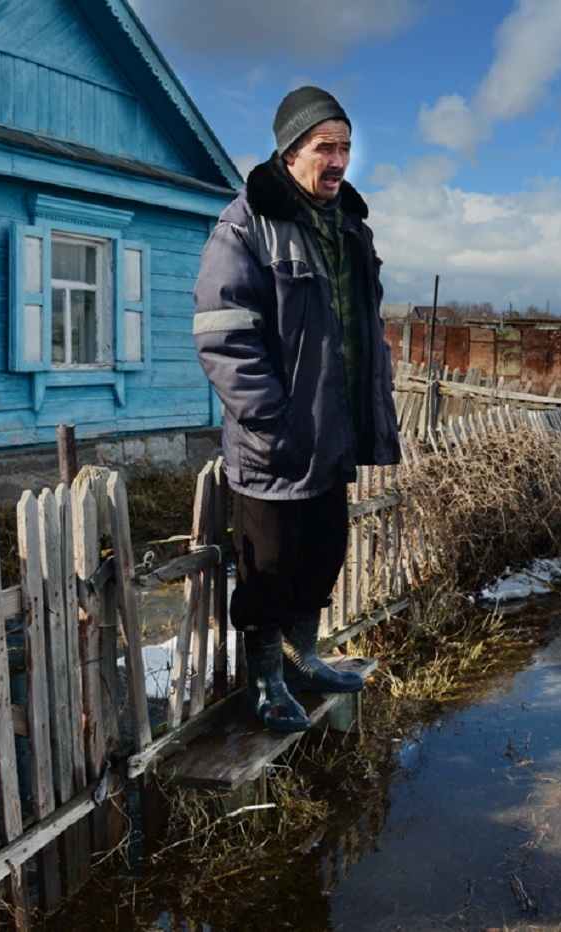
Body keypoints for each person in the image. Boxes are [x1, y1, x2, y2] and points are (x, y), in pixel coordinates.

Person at [193, 87, 402, 733]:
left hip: (332, 432)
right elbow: (224, 336)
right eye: (324, 147)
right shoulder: (246, 225)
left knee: (322, 555)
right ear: (290, 153)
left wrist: (370, 403)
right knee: (268, 569)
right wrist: (271, 423)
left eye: (345, 148)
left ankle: (304, 659)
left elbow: (362, 329)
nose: (338, 160)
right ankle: (264, 682)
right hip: (277, 441)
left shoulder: (349, 229)